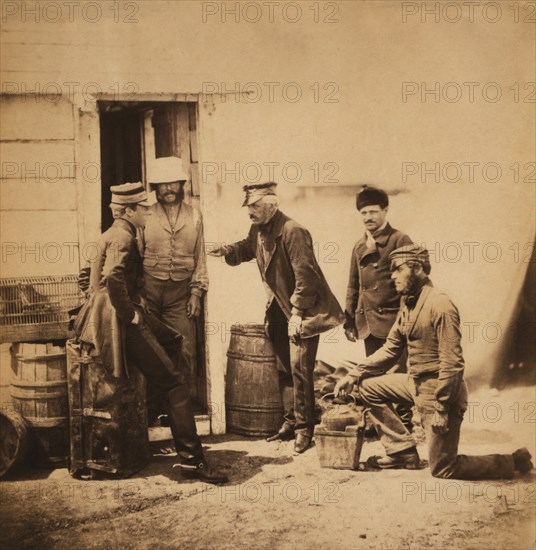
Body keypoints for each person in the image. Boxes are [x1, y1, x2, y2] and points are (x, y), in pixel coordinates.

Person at [335, 244, 533, 478]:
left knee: (443, 468)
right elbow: (390, 348)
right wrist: (355, 373)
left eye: (398, 269)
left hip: (440, 392)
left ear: (417, 268)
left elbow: (453, 363)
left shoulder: (440, 304)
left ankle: (513, 461)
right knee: (366, 387)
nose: (392, 275)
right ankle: (401, 450)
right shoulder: (409, 303)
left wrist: (441, 408)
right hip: (415, 383)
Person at [77, 182, 227, 484]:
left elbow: (86, 276)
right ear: (128, 211)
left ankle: (160, 402)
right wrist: (128, 313)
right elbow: (113, 277)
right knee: (176, 385)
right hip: (123, 322)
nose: (148, 212)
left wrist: (100, 302)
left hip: (118, 314)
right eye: (143, 208)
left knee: (173, 339)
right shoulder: (124, 238)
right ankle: (192, 462)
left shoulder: (110, 234)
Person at [209, 182, 345, 454]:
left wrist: (297, 313)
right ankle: (290, 420)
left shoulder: (293, 231)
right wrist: (227, 251)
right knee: (284, 367)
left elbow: (307, 278)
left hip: (303, 310)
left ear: (272, 205)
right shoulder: (258, 229)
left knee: (300, 369)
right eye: (248, 206)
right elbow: (248, 248)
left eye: (255, 206)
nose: (250, 211)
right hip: (278, 308)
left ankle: (305, 429)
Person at [141, 156, 208, 421]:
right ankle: (153, 407)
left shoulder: (195, 215)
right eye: (162, 184)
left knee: (185, 348)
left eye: (173, 183)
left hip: (180, 294)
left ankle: (181, 408)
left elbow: (201, 256)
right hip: (149, 290)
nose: (168, 189)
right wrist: (137, 294)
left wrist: (196, 293)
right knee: (150, 349)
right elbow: (134, 255)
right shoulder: (144, 213)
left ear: (182, 184)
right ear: (155, 187)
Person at [344, 185, 413, 428]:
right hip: (369, 323)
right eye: (363, 213)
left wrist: (406, 317)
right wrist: (349, 319)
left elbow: (410, 282)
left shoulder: (399, 239)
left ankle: (405, 424)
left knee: (397, 374)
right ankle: (383, 423)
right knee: (373, 374)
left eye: (373, 211)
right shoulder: (358, 245)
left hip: (393, 320)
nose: (368, 218)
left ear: (385, 211)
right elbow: (354, 285)